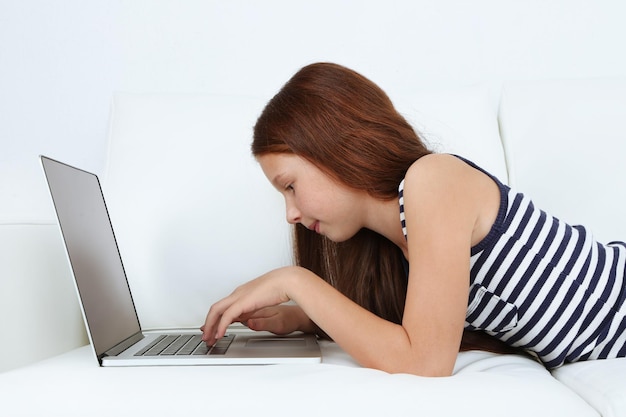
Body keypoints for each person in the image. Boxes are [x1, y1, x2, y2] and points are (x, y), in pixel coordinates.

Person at [201, 62, 626, 376]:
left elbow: (424, 361)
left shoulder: (432, 180)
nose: (291, 213)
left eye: (290, 186)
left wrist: (294, 282)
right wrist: (303, 317)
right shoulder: (398, 246)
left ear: (334, 148)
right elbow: (410, 330)